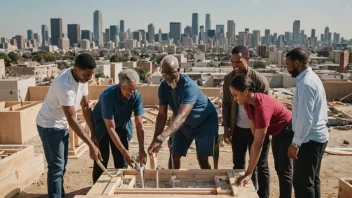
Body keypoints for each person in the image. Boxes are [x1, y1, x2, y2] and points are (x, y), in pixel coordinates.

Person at [36, 53, 102, 198]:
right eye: (86, 75)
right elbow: (72, 119)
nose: (89, 78)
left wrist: (94, 134)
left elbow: (85, 107)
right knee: (56, 168)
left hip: (62, 124)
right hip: (50, 126)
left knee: (61, 166)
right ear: (76, 69)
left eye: (91, 75)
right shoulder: (64, 85)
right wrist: (91, 144)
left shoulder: (83, 81)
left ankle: (59, 194)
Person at [148, 55, 219, 169]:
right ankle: (172, 182)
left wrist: (162, 137)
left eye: (171, 74)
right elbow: (162, 116)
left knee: (202, 159)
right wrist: (155, 140)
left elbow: (181, 116)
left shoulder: (188, 87)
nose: (168, 78)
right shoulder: (163, 87)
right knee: (174, 155)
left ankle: (207, 184)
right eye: (164, 74)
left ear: (179, 70)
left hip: (204, 123)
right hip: (184, 125)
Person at [232, 75, 294, 198]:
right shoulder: (247, 103)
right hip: (276, 130)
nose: (234, 99)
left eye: (235, 95)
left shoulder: (262, 107)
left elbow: (258, 143)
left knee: (284, 169)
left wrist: (249, 172)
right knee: (278, 167)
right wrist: (258, 144)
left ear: (245, 91)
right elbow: (254, 128)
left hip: (287, 129)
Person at [222, 45, 271, 198]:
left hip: (258, 129)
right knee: (238, 164)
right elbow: (226, 103)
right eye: (232, 62)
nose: (235, 65)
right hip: (238, 129)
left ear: (247, 59)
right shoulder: (228, 79)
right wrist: (226, 126)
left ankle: (262, 195)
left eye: (238, 62)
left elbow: (267, 106)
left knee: (260, 165)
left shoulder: (259, 80)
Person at [286, 48, 329, 198]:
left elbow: (305, 118)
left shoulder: (306, 83)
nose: (287, 68)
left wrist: (295, 143)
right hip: (316, 138)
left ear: (296, 62)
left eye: (289, 64)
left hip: (309, 140)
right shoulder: (312, 78)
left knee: (302, 184)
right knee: (312, 181)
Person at [92, 69, 147, 183]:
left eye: (134, 89)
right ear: (120, 85)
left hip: (121, 124)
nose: (131, 93)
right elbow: (110, 127)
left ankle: (120, 184)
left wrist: (142, 149)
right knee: (102, 158)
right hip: (103, 125)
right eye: (128, 89)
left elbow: (139, 124)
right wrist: (124, 151)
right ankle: (96, 188)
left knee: (122, 160)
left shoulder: (136, 95)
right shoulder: (107, 96)